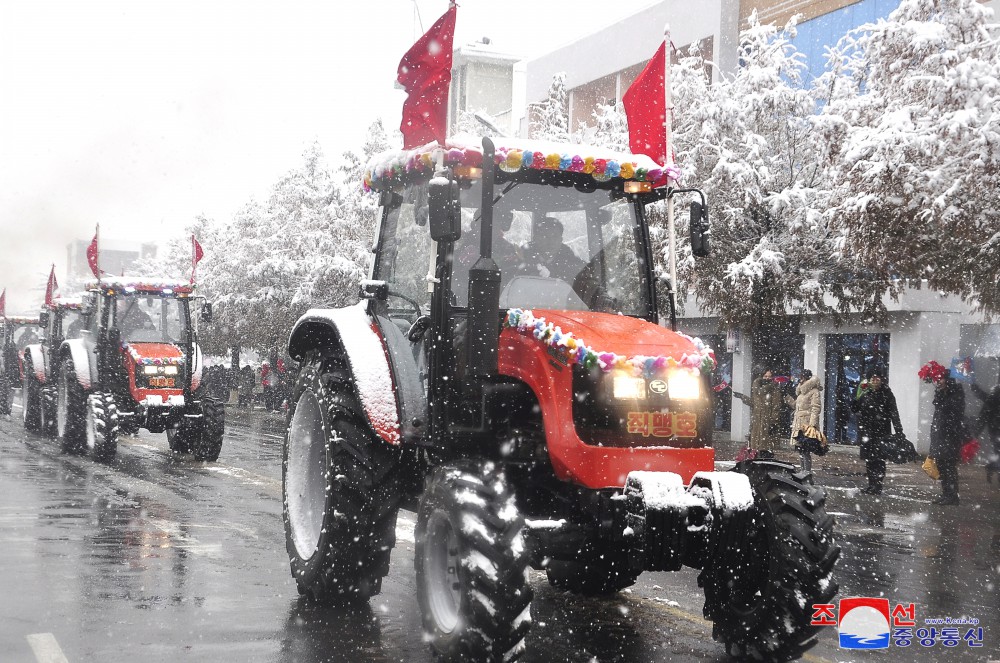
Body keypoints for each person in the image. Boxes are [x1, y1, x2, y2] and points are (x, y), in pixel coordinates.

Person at [851, 371, 903, 495]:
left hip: (881, 432)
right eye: (872, 379)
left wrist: (899, 430)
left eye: (877, 379)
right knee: (869, 459)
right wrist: (857, 395)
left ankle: (877, 485)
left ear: (881, 380)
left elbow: (894, 413)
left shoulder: (887, 394)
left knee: (879, 460)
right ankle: (871, 484)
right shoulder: (865, 393)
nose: (874, 381)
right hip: (867, 432)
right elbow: (855, 408)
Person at [929, 372, 966, 505]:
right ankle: (946, 493)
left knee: (949, 466)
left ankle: (953, 496)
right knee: (941, 466)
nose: (939, 381)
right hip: (940, 435)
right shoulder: (941, 394)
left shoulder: (957, 395)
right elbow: (938, 410)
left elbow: (950, 410)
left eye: (941, 379)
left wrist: (942, 396)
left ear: (948, 381)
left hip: (951, 437)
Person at [734, 368, 785, 456]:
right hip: (757, 421)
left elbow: (776, 407)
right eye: (765, 376)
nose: (767, 378)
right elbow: (753, 403)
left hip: (767, 422)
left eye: (769, 376)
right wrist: (742, 397)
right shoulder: (757, 389)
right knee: (755, 447)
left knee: (766, 448)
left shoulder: (774, 390)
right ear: (761, 376)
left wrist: (773, 422)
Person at [522, 217, 585, 284]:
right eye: (545, 236)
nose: (551, 241)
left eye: (555, 236)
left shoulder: (572, 262)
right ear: (535, 239)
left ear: (561, 239)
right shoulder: (520, 259)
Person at [786, 369, 823, 472]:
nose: (800, 380)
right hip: (799, 423)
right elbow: (795, 406)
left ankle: (807, 473)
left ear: (807, 378)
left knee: (805, 451)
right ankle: (803, 472)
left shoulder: (814, 391)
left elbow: (815, 409)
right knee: (801, 451)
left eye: (801, 377)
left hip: (806, 424)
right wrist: (787, 396)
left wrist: (811, 426)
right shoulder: (801, 392)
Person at [971, 380, 1000, 484]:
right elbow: (987, 406)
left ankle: (991, 467)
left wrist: (976, 390)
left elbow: (986, 401)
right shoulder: (996, 392)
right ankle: (992, 467)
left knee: (998, 451)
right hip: (996, 428)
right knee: (998, 450)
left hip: (995, 427)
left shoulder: (995, 392)